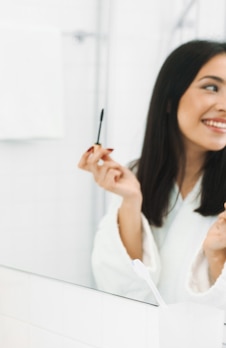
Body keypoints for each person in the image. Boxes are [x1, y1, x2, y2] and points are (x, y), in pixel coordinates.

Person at [78, 39, 226, 309]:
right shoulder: (137, 174)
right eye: (211, 87)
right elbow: (124, 287)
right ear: (170, 99)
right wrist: (131, 201)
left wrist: (216, 257)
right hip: (141, 341)